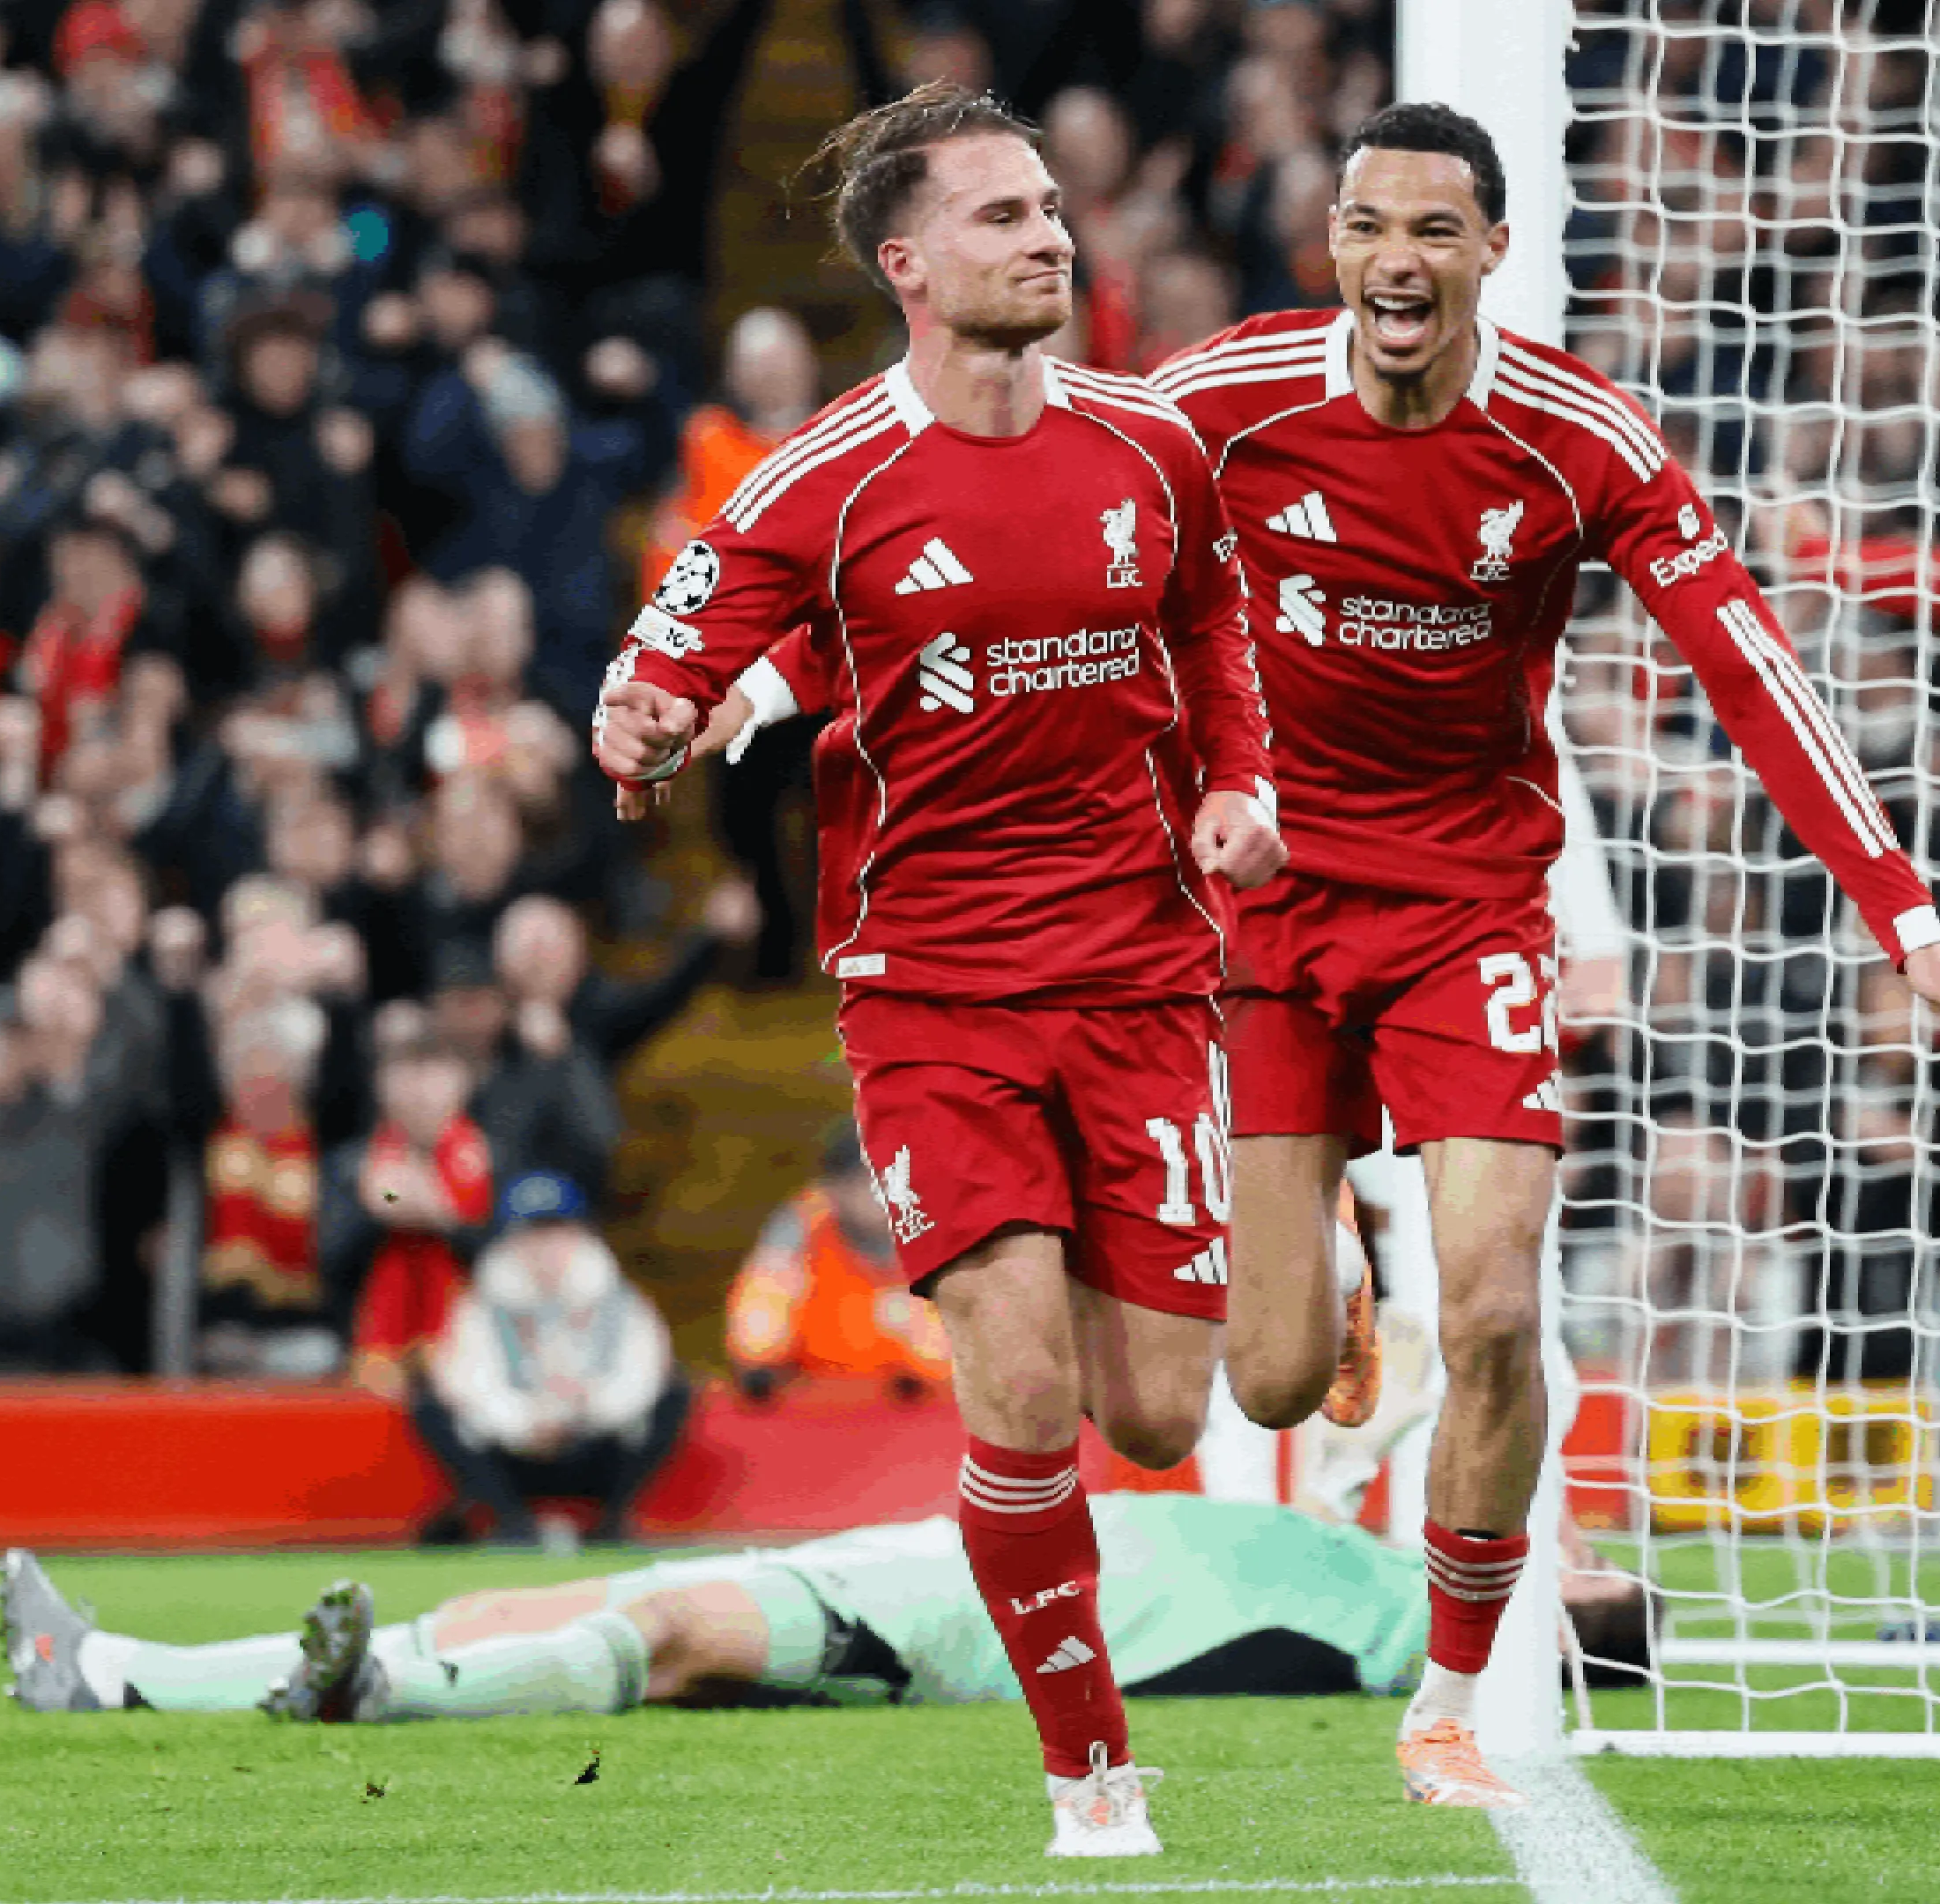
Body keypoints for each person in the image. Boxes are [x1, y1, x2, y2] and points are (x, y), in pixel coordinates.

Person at [1129, 102, 1940, 1809]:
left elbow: (1752, 668)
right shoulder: (1225, 396)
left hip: (1471, 904)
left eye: (1433, 232)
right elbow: (1052, 499)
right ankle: (1326, 1250)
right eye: (1367, 227)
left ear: (1492, 250)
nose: (1397, 261)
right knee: (1254, 1381)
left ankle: (1453, 1697)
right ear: (1332, 243)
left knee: (1491, 1312)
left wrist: (1903, 919)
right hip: (1268, 905)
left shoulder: (1574, 434)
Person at [587, 83, 1285, 1857]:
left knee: (1161, 1409)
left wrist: (1238, 783)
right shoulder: (822, 478)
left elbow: (1209, 620)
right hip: (934, 992)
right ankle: (1092, 1775)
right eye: (1000, 215)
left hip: (1140, 976)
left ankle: (1314, 1227)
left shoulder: (1153, 446)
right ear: (907, 264)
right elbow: (675, 654)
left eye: (1050, 208)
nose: (1046, 234)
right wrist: (648, 715)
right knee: (1026, 1394)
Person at [0, 1499, 1654, 1722]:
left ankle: (382, 1701)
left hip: (955, 1624)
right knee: (513, 1596)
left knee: (675, 1638)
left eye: (1590, 1563)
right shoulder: (1386, 1555)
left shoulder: (1403, 1633)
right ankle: (113, 1669)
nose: (1572, 1532)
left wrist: (1560, 1630)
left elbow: (1222, 1665)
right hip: (930, 1555)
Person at [411, 1171, 688, 1547]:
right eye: (533, 1234)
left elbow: (640, 1378)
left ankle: (613, 1523)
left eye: (557, 1231)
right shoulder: (482, 1302)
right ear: (512, 1240)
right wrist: (527, 1423)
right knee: (429, 1403)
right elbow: (465, 1381)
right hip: (515, 1450)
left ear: (580, 1234)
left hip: (595, 1444)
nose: (545, 1247)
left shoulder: (619, 1299)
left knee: (675, 1393)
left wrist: (584, 1410)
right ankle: (511, 1523)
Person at [726, 1118, 948, 1399]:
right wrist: (759, 1365)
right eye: (867, 1184)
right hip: (810, 1393)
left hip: (907, 1400)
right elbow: (764, 1299)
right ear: (835, 1187)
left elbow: (947, 1333)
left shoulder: (931, 1232)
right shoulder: (802, 1228)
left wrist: (926, 1372)